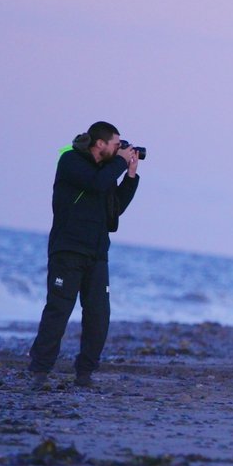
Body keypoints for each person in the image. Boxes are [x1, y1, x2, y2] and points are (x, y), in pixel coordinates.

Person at [29, 121, 141, 389]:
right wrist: (120, 164)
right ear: (99, 143)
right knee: (59, 310)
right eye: (117, 144)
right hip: (68, 249)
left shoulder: (106, 171)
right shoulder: (71, 160)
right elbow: (94, 184)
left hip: (97, 253)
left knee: (99, 315)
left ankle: (85, 373)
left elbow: (115, 210)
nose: (120, 149)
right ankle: (40, 372)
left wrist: (131, 176)